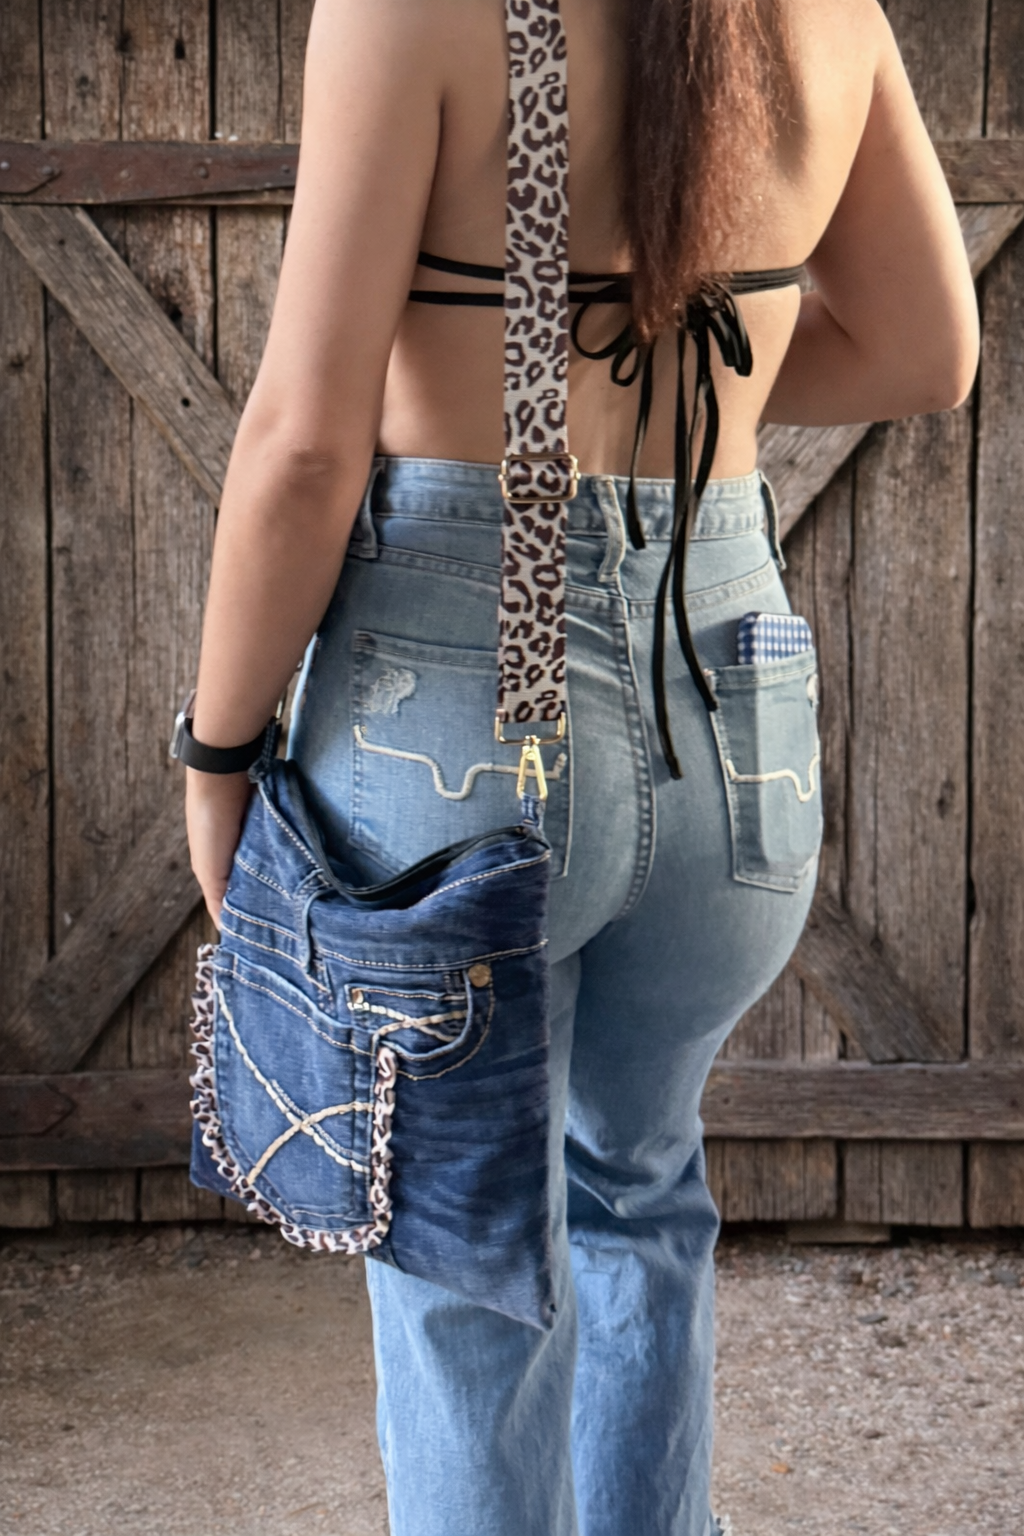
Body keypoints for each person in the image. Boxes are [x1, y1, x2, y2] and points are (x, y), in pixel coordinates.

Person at [184, 2, 978, 1532]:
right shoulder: (818, 12)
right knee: (640, 1186)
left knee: (466, 1259)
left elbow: (301, 444)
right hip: (729, 710)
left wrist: (218, 752)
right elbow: (924, 349)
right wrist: (701, 366)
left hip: (473, 699)